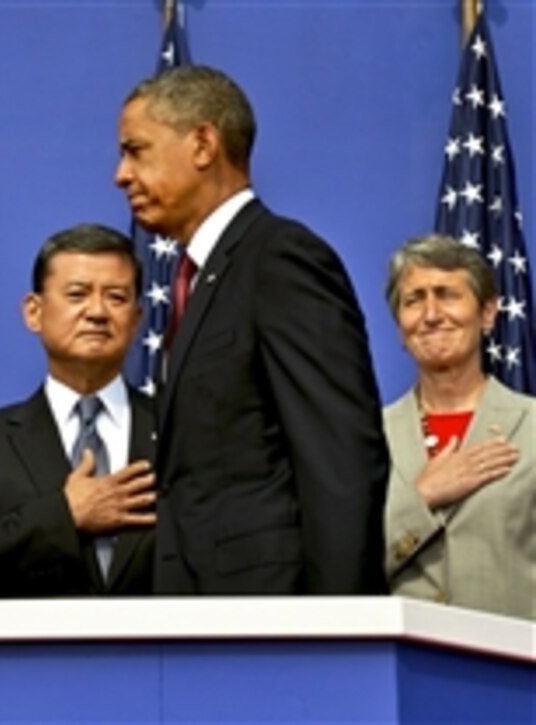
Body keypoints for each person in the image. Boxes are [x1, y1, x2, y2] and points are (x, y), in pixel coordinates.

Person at [115, 65, 388, 594]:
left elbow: (339, 460)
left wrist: (338, 631)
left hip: (272, 626)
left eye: (136, 150)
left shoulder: (279, 259)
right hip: (199, 622)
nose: (121, 174)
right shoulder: (197, 280)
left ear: (202, 144)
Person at [0, 224, 156, 597]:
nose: (97, 312)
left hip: (161, 653)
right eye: (77, 294)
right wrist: (63, 517)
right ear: (34, 312)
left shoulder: (183, 430)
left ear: (137, 320)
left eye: (117, 297)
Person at [383, 235, 533, 620]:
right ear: (400, 326)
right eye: (413, 300)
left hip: (514, 673)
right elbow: (340, 567)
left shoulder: (531, 427)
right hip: (404, 672)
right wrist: (422, 497)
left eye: (447, 294)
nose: (431, 314)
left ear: (487, 313)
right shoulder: (368, 437)